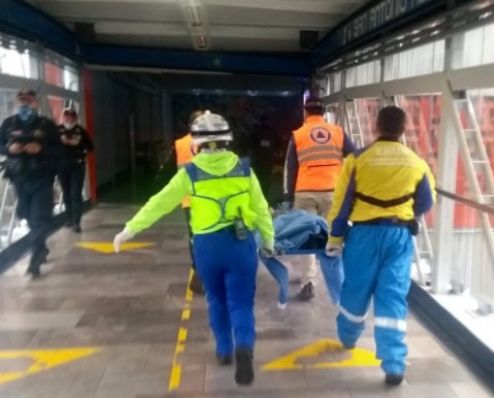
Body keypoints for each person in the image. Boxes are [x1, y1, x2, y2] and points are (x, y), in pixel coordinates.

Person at [113, 111, 274, 386]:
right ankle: (244, 346)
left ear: (196, 143)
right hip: (241, 244)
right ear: (228, 140)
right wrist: (269, 241)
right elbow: (261, 210)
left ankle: (224, 350)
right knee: (241, 302)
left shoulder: (190, 173)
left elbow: (160, 203)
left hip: (207, 247)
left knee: (216, 299)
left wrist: (130, 229)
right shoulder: (245, 170)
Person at [326, 106, 435, 386]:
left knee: (356, 288)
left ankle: (348, 337)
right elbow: (426, 201)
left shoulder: (357, 159)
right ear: (403, 129)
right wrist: (405, 211)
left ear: (376, 126)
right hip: (399, 237)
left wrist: (334, 238)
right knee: (392, 295)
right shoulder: (417, 162)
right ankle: (394, 365)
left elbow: (342, 204)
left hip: (362, 235)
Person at [283, 96, 355, 300]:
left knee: (308, 237)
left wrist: (288, 195)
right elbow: (355, 156)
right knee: (334, 237)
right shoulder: (338, 132)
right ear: (323, 113)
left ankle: (308, 282)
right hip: (333, 191)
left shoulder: (298, 134)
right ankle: (340, 285)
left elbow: (291, 167)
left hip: (305, 191)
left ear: (306, 113)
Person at [0, 89, 62, 277]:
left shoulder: (47, 125)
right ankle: (41, 246)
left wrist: (40, 148)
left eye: (29, 100)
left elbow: (59, 150)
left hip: (42, 177)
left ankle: (35, 259)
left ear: (36, 102)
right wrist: (9, 149)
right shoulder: (9, 124)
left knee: (38, 216)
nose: (25, 104)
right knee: (25, 213)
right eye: (21, 100)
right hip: (19, 177)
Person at [174, 110, 205, 295]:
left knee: (194, 236)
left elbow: (181, 175)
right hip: (208, 199)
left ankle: (198, 271)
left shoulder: (180, 144)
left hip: (189, 199)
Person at [57, 108, 94, 233]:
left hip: (77, 166)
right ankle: (69, 218)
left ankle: (77, 222)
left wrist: (76, 143)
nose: (68, 119)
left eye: (71, 116)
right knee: (66, 193)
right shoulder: (58, 130)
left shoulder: (81, 131)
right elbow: (51, 146)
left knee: (75, 193)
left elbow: (90, 147)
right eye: (66, 116)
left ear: (75, 118)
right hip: (62, 166)